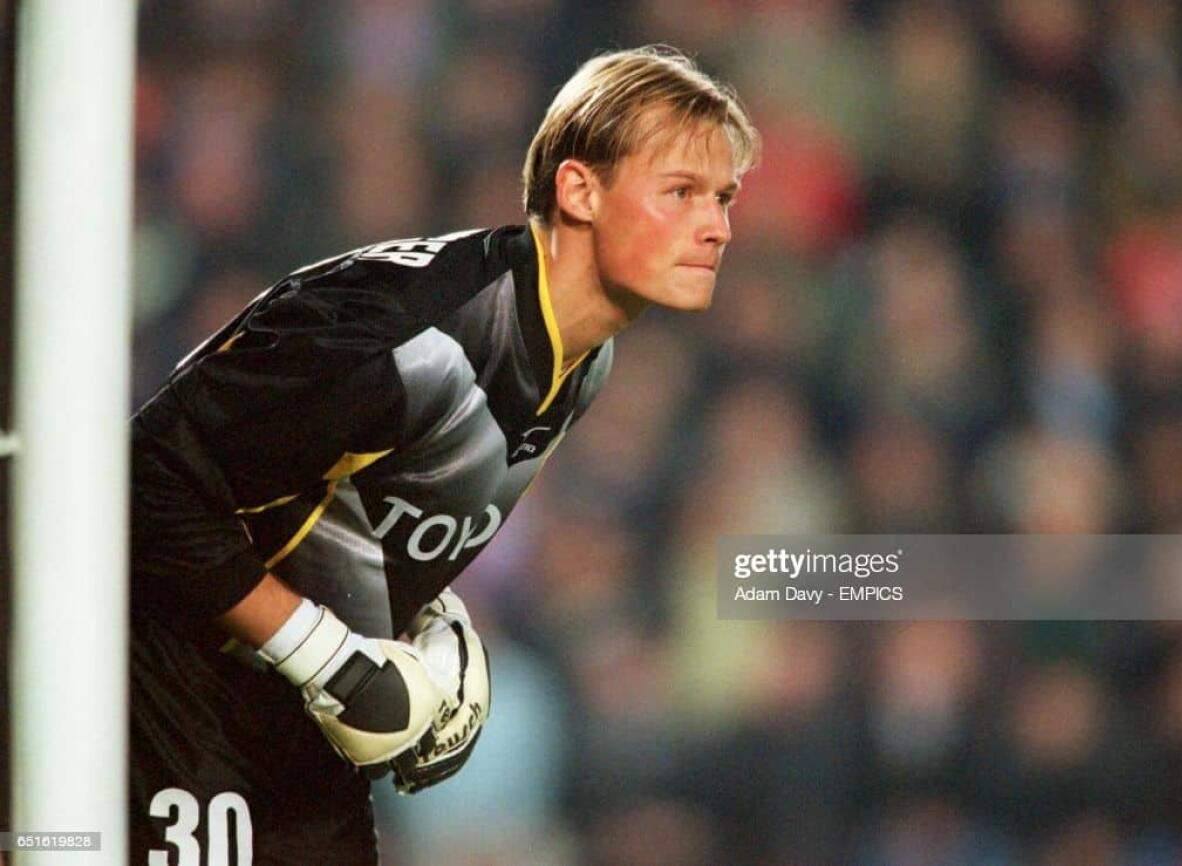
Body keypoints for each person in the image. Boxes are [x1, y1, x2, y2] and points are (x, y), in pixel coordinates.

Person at [129, 44, 759, 865]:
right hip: (150, 703)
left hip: (285, 744)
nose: (717, 227)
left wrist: (427, 631)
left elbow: (335, 503)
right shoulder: (410, 336)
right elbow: (144, 482)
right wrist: (328, 658)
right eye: (681, 192)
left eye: (723, 198)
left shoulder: (585, 357)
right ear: (580, 191)